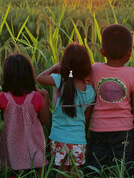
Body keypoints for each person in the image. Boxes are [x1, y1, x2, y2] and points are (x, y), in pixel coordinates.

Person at [87, 24, 134, 171]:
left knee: (96, 167)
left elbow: (89, 101)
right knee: (123, 167)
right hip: (124, 129)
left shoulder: (95, 69)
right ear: (130, 53)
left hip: (98, 128)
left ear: (102, 51)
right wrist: (133, 121)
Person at [37, 43, 95, 174]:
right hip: (79, 140)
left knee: (61, 173)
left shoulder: (61, 81)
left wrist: (55, 67)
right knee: (75, 174)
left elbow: (40, 77)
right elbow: (86, 118)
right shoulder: (90, 91)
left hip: (58, 138)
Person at [0, 53, 49, 176]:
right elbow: (44, 120)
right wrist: (46, 96)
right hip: (33, 144)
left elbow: (2, 119)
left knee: (12, 169)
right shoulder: (36, 97)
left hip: (12, 146)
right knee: (40, 163)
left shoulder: (2, 97)